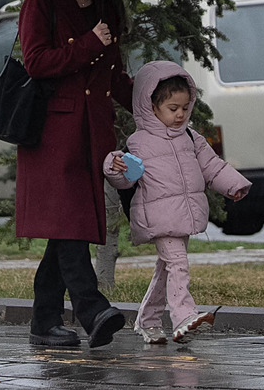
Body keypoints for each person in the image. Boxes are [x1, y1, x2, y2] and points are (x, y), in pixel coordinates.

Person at [15, 0, 134, 348]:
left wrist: (155, 104)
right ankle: (92, 308)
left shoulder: (105, 8)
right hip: (52, 134)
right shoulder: (40, 4)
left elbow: (113, 76)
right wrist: (87, 43)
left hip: (92, 134)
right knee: (70, 224)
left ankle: (43, 321)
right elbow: (36, 62)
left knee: (66, 227)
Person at [103, 61, 252, 344]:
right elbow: (124, 179)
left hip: (182, 215)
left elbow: (212, 166)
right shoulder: (138, 143)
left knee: (166, 268)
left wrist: (233, 185)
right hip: (158, 216)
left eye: (185, 107)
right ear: (151, 106)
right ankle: (184, 316)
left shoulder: (190, 137)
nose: (181, 114)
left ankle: (147, 320)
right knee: (178, 264)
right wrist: (114, 167)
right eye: (173, 108)